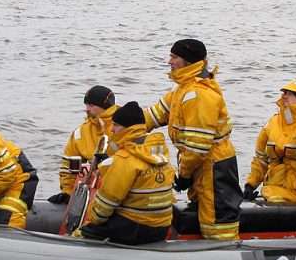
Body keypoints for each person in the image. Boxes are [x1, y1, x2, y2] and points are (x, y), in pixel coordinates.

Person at [144, 38, 241, 240]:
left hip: (214, 168)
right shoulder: (182, 89)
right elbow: (154, 115)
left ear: (187, 62)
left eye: (174, 57)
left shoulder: (199, 94)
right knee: (202, 216)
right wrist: (120, 123)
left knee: (218, 225)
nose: (169, 61)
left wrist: (184, 175)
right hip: (202, 166)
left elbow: (197, 148)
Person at [75, 101, 175, 244]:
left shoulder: (124, 160)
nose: (112, 130)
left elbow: (103, 208)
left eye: (116, 125)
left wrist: (91, 223)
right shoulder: (159, 153)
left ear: (128, 129)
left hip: (134, 227)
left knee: (84, 232)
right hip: (161, 227)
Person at [48, 85, 117, 205]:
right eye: (86, 105)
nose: (87, 109)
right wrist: (68, 192)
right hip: (89, 192)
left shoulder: (121, 126)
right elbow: (67, 167)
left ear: (104, 106)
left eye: (91, 105)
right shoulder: (80, 132)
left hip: (116, 192)